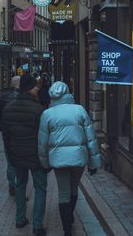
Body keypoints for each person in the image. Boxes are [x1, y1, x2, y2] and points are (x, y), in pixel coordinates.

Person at [38, 81, 101, 236]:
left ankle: (67, 229)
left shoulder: (47, 114)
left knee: (63, 192)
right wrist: (94, 163)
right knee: (74, 188)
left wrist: (45, 163)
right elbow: (91, 138)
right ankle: (70, 219)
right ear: (67, 93)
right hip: (78, 158)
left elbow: (42, 142)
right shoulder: (79, 110)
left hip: (58, 160)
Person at [2, 75, 47, 236]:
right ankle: (37, 225)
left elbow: (6, 136)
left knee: (20, 185)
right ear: (29, 88)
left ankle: (20, 218)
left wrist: (10, 154)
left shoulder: (9, 108)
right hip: (35, 156)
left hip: (17, 154)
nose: (38, 89)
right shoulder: (39, 109)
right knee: (40, 188)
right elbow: (43, 137)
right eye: (36, 87)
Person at [0, 76, 20, 196]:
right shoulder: (24, 97)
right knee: (21, 161)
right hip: (22, 135)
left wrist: (3, 126)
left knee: (10, 161)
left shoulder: (2, 97)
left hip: (7, 133)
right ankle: (19, 186)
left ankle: (11, 185)